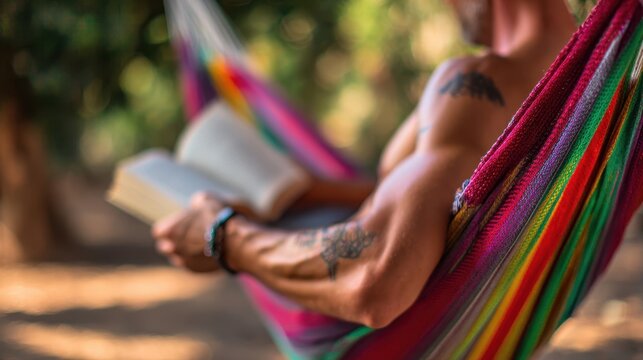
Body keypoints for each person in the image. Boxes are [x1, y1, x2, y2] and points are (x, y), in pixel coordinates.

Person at [152, 0, 578, 328]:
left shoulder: (476, 83)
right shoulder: (591, 91)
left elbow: (381, 280)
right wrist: (306, 193)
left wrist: (222, 235)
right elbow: (442, 204)